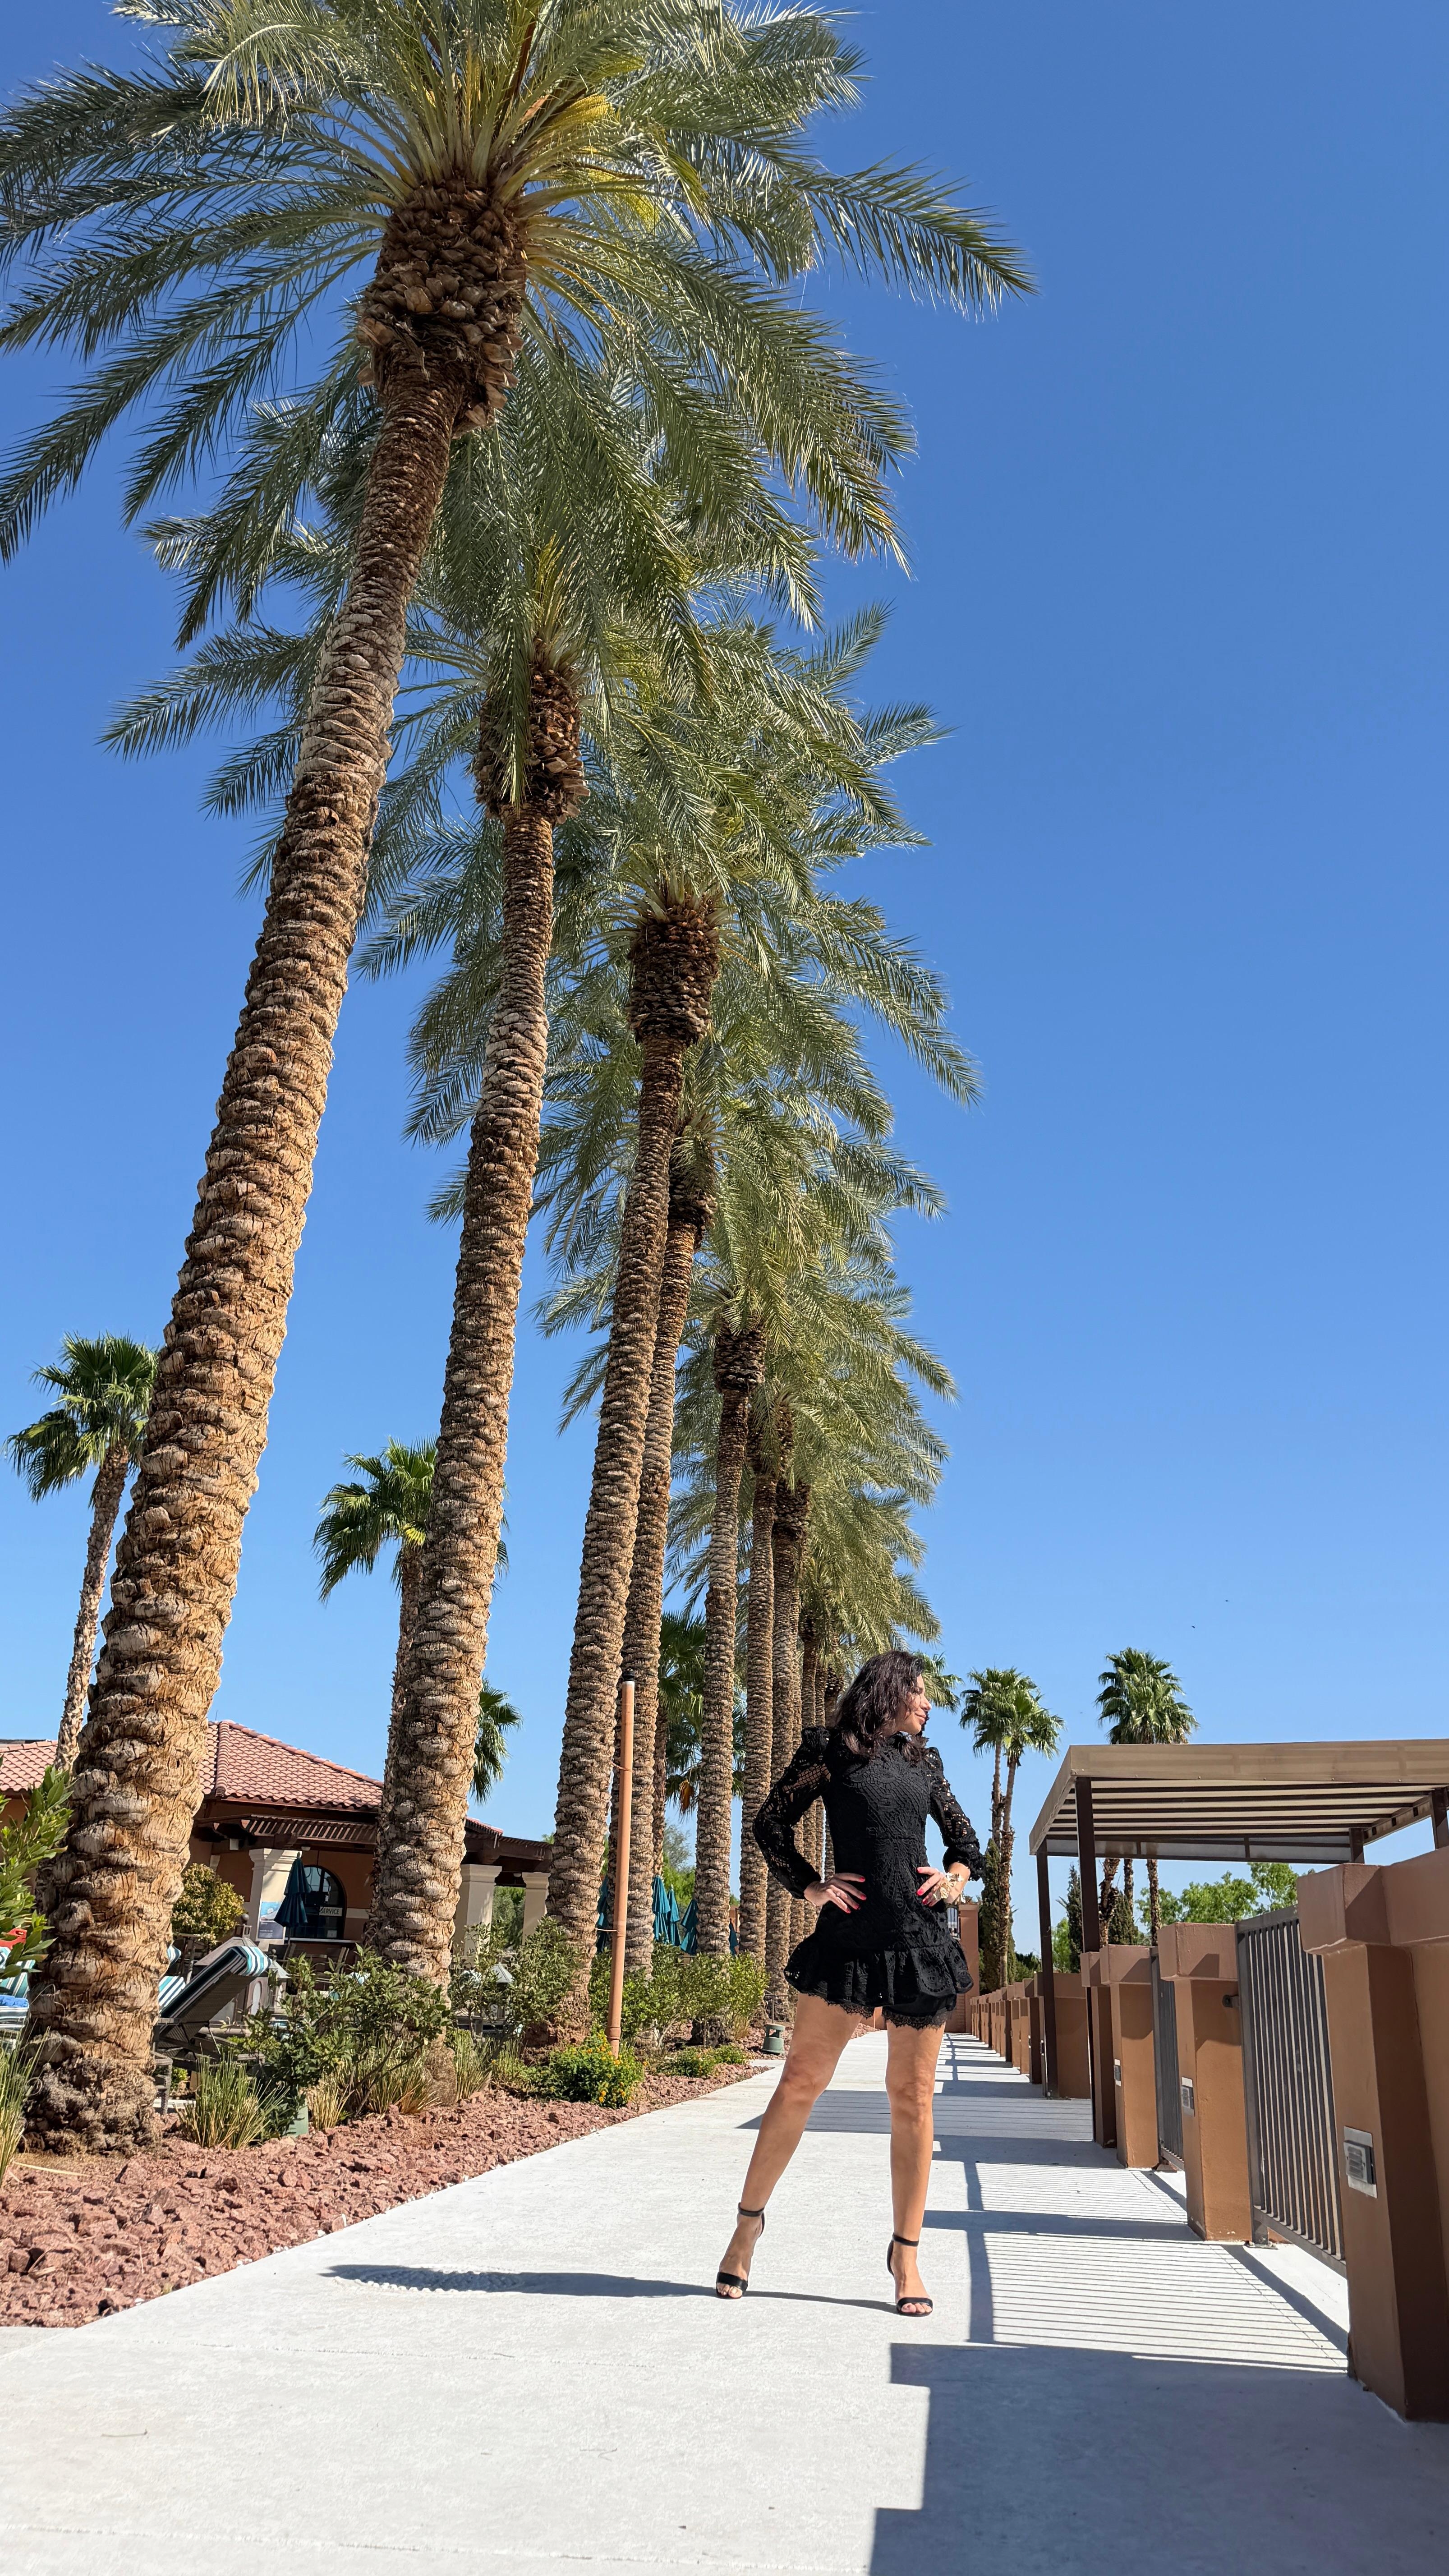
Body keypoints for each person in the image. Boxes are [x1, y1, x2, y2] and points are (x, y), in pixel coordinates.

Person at [715, 1650, 983, 2315]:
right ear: (890, 1692)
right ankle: (746, 2228)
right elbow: (770, 1824)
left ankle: (906, 2256)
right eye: (919, 1693)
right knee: (799, 2082)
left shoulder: (924, 1762)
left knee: (913, 2100)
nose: (928, 1705)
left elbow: (964, 1842)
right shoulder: (830, 1751)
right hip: (848, 1946)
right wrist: (810, 1886)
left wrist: (954, 1879)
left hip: (920, 1944)